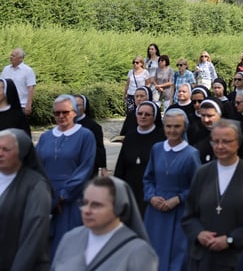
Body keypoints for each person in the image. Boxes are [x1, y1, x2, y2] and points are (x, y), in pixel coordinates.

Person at [181, 119, 243, 270]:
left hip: (237, 260)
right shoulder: (202, 173)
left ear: (238, 143)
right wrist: (199, 233)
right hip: (203, 259)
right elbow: (188, 215)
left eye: (226, 141)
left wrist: (230, 239)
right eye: (215, 141)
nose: (220, 146)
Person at [51, 175, 158, 271]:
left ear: (118, 207)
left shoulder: (138, 251)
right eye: (85, 203)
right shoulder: (70, 239)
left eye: (96, 205)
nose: (87, 210)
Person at [36, 94, 96, 258]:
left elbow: (85, 169)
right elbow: (37, 167)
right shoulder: (46, 137)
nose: (61, 116)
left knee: (71, 247)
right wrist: (45, 196)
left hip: (72, 199)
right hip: (47, 199)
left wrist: (62, 196)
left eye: (65, 112)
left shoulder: (85, 136)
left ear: (74, 112)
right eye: (57, 113)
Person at [143, 108, 201, 271]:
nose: (172, 130)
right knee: (153, 253)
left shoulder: (191, 154)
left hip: (179, 212)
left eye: (177, 126)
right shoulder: (157, 149)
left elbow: (197, 186)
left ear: (184, 128)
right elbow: (148, 178)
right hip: (156, 211)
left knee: (176, 256)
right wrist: (151, 197)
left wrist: (178, 199)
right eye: (168, 126)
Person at [0, 128, 52, 271]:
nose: (0, 153)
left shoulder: (36, 186)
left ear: (21, 153)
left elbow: (33, 238)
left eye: (6, 149)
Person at [114, 101, 165, 215]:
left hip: (152, 189)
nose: (143, 116)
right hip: (131, 186)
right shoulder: (130, 136)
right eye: (140, 113)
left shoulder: (161, 136)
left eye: (147, 114)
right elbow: (121, 164)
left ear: (154, 117)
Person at [75, 94, 107, 178]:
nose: (75, 108)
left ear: (85, 107)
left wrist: (103, 166)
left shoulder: (93, 126)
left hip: (88, 167)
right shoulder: (65, 125)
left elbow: (99, 147)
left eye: (78, 105)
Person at [0, 48, 36, 117]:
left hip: (21, 105)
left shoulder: (28, 70)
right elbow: (1, 86)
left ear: (20, 58)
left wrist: (29, 105)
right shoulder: (6, 69)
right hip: (6, 105)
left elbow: (31, 88)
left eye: (13, 56)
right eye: (11, 55)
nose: (11, 57)